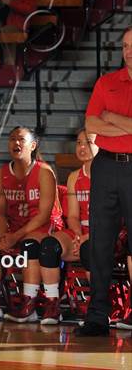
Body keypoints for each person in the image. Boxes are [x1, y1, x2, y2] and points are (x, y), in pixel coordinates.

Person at [75, 26, 132, 336]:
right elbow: (91, 124)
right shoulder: (106, 82)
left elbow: (104, 120)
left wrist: (112, 118)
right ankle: (97, 315)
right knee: (100, 243)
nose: (129, 51)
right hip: (106, 166)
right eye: (125, 46)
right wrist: (121, 125)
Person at [0, 126, 62, 322]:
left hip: (41, 225)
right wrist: (3, 235)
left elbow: (43, 215)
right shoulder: (1, 174)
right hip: (13, 226)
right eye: (12, 139)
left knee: (29, 245)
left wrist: (14, 237)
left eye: (21, 139)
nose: (16, 143)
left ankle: (29, 304)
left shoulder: (44, 172)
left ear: (32, 146)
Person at [38, 130, 98, 324]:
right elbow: (72, 216)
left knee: (89, 249)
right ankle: (53, 303)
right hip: (81, 231)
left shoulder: (109, 175)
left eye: (88, 142)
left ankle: (98, 307)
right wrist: (79, 236)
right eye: (79, 142)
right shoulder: (74, 177)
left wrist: (87, 239)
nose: (82, 147)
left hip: (106, 232)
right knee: (48, 245)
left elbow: (114, 217)